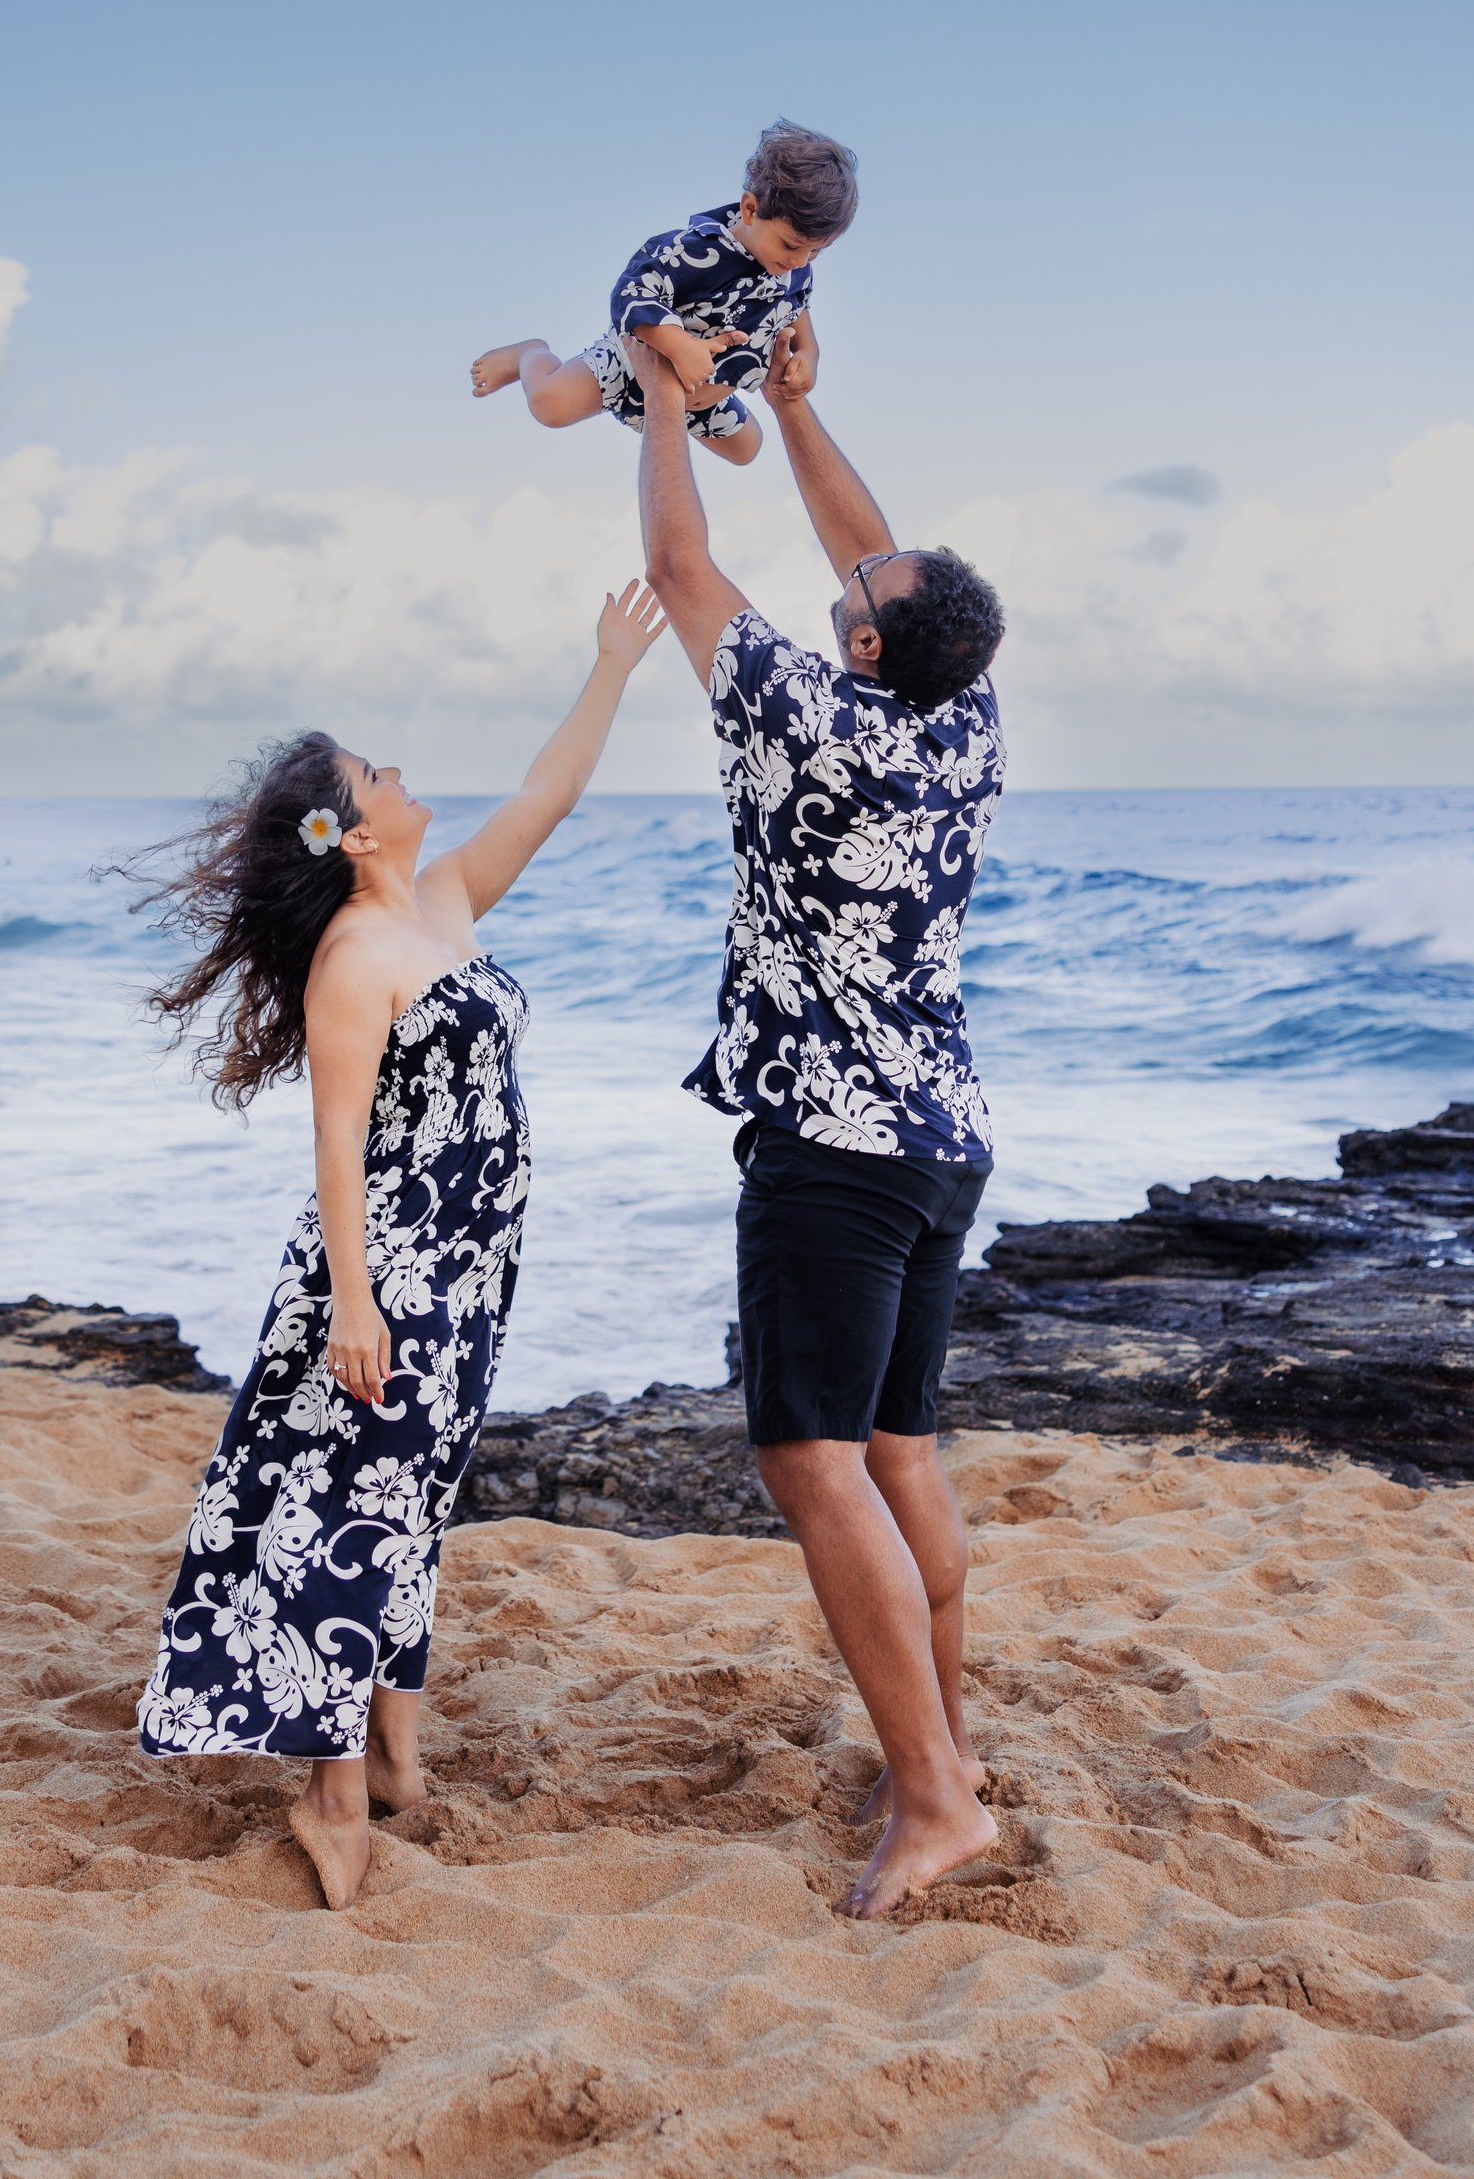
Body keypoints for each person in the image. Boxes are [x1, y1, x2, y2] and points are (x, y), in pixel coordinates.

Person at [130, 584, 671, 1910]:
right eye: (377, 770)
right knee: (354, 1503)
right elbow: (333, 1147)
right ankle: (329, 1790)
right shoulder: (358, 955)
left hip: (475, 1260)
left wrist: (609, 668)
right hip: (397, 1270)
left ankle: (395, 1757)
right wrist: (355, 1307)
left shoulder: (439, 903)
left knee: (414, 1499)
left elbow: (548, 796)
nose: (401, 770)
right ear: (349, 825)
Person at [625, 322, 1009, 1919]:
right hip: (941, 1144)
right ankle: (953, 1752)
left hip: (838, 1154)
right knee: (903, 1449)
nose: (850, 576)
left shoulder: (811, 718)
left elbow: (675, 556)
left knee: (811, 1462)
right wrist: (794, 408)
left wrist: (661, 402)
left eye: (861, 595)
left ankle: (933, 1802)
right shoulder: (962, 716)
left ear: (859, 649)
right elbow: (879, 559)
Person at [468, 121, 859, 470]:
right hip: (631, 365)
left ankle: (689, 407)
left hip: (701, 403)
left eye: (816, 251)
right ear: (751, 210)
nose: (801, 261)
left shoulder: (793, 269)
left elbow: (798, 311)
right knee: (549, 405)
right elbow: (630, 292)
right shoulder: (694, 251)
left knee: (748, 449)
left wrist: (810, 356)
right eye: (792, 245)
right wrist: (678, 346)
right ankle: (530, 354)